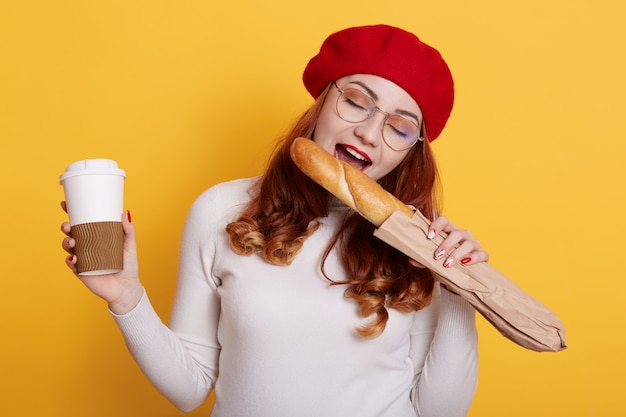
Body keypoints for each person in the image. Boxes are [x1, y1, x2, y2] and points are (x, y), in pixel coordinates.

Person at [60, 24, 489, 417]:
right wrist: (125, 298)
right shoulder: (220, 210)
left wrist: (460, 291)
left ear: (411, 150)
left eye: (399, 127)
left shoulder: (423, 240)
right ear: (322, 103)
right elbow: (190, 389)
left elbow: (439, 412)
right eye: (357, 102)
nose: (370, 133)